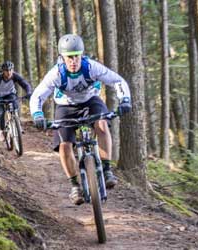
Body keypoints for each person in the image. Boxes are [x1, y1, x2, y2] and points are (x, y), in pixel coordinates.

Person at [30, 34, 132, 205]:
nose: (73, 61)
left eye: (77, 56)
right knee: (64, 144)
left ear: (82, 55)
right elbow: (38, 96)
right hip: (65, 107)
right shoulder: (56, 73)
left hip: (91, 101)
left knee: (101, 124)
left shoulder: (91, 67)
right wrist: (37, 115)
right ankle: (75, 185)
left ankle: (107, 169)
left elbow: (117, 81)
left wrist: (125, 100)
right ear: (62, 57)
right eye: (69, 57)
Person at [0, 61, 32, 142]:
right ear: (3, 71)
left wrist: (28, 93)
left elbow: (25, 84)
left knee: (15, 105)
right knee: (1, 113)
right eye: (6, 70)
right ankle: (2, 131)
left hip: (10, 94)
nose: (9, 72)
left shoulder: (15, 76)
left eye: (10, 70)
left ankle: (17, 124)